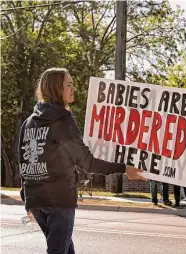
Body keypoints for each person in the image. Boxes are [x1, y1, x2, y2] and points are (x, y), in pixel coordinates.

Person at [18, 68, 146, 254]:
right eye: (68, 85)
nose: (73, 88)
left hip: (36, 200)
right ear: (56, 88)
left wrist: (27, 198)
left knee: (65, 249)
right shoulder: (62, 120)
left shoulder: (28, 122)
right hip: (59, 199)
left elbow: (23, 163)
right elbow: (87, 162)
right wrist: (124, 168)